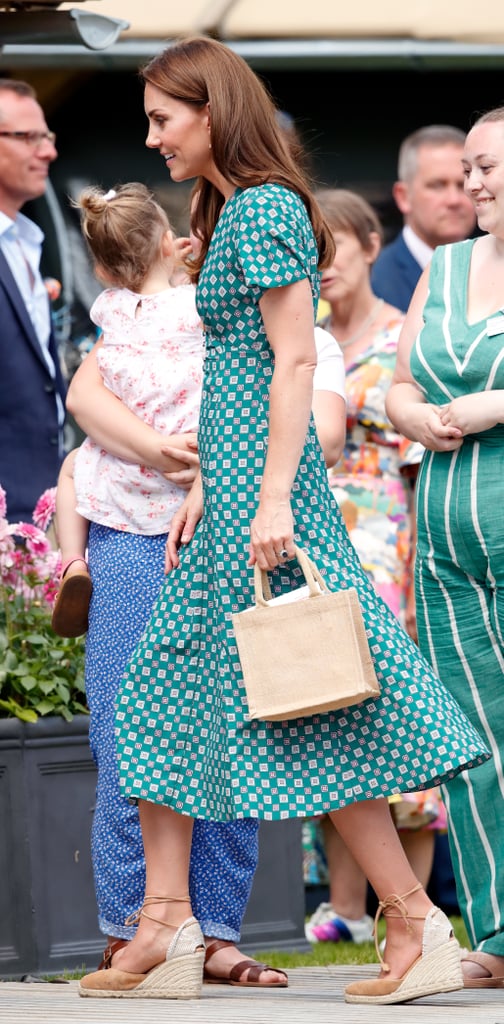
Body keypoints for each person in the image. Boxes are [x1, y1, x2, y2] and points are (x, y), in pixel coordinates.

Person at [77, 35, 488, 1005]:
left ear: (213, 111)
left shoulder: (261, 208)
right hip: (230, 494)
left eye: (162, 120)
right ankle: (170, 918)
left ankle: (409, 919)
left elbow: (295, 361)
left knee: (317, 703)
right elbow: (237, 369)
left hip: (270, 499)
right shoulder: (228, 210)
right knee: (171, 704)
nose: (152, 139)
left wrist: (262, 497)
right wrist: (207, 486)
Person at [54, 181, 287, 988]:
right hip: (201, 533)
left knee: (124, 729)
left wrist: (148, 449)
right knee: (222, 730)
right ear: (172, 244)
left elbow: (84, 396)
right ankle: (210, 927)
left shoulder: (113, 317)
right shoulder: (207, 310)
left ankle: (134, 925)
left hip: (120, 533)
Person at [303, 188, 447, 947]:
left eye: (337, 246)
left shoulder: (402, 338)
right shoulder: (305, 336)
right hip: (317, 539)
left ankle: (412, 908)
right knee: (328, 707)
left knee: (397, 715)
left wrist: (424, 563)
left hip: (390, 539)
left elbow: (423, 464)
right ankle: (347, 907)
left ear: (369, 241)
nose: (323, 265)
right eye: (312, 250)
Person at [385, 105, 504, 989]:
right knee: (468, 737)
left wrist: (498, 404)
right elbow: (392, 381)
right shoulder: (450, 264)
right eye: (467, 168)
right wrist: (415, 414)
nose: (472, 185)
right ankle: (496, 932)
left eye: (488, 168)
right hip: (444, 542)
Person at [0, 79, 66, 524]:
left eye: (48, 137)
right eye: (28, 137)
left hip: (44, 507)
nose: (48, 152)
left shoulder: (26, 241)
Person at [371, 124, 476, 312]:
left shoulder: (495, 267)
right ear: (403, 196)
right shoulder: (374, 283)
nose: (454, 200)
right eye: (437, 185)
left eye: (463, 184)